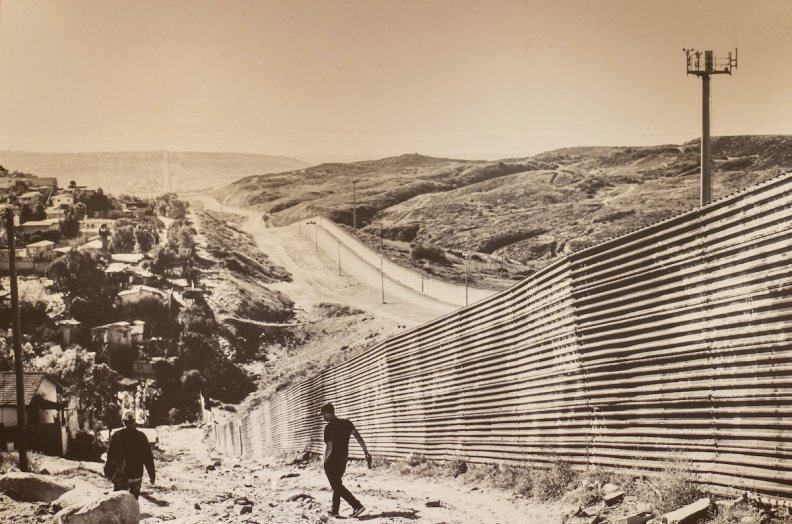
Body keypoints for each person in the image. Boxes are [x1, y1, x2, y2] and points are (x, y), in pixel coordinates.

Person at [321, 403, 370, 518]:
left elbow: (329, 447)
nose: (322, 417)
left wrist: (324, 461)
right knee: (337, 483)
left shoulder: (328, 428)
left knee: (337, 485)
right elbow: (358, 437)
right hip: (343, 459)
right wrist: (366, 451)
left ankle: (357, 505)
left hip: (332, 461)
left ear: (327, 413)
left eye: (323, 414)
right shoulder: (347, 423)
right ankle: (335, 510)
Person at [106, 410, 155, 499]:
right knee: (133, 502)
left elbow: (110, 455)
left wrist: (109, 472)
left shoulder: (117, 435)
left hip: (121, 475)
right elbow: (148, 458)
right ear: (134, 421)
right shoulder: (141, 436)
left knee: (118, 501)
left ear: (123, 421)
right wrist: (152, 475)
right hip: (136, 474)